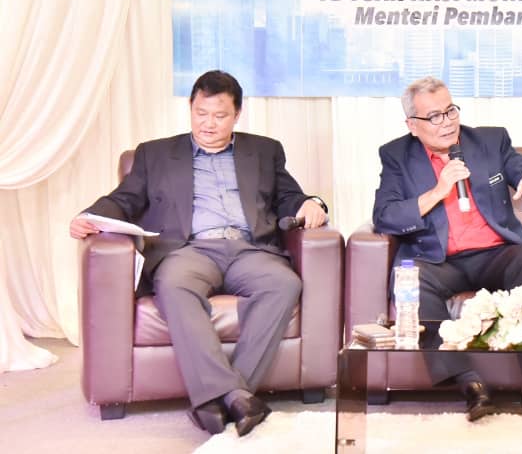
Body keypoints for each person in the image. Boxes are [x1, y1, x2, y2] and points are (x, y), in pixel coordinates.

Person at [69, 70, 328, 437]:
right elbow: (124, 199)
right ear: (190, 108)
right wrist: (89, 216)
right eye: (201, 113)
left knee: (283, 284)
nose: (208, 124)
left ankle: (220, 398)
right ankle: (238, 397)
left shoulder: (264, 150)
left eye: (220, 115)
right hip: (188, 250)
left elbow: (289, 196)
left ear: (237, 114)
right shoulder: (155, 154)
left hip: (249, 248)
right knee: (174, 285)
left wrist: (311, 203)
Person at [372, 76, 522, 422]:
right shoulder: (396, 155)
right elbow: (385, 216)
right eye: (434, 117)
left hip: (495, 254)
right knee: (410, 281)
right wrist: (438, 191)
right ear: (412, 125)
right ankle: (472, 386)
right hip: (439, 260)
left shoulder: (490, 140)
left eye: (450, 111)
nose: (447, 122)